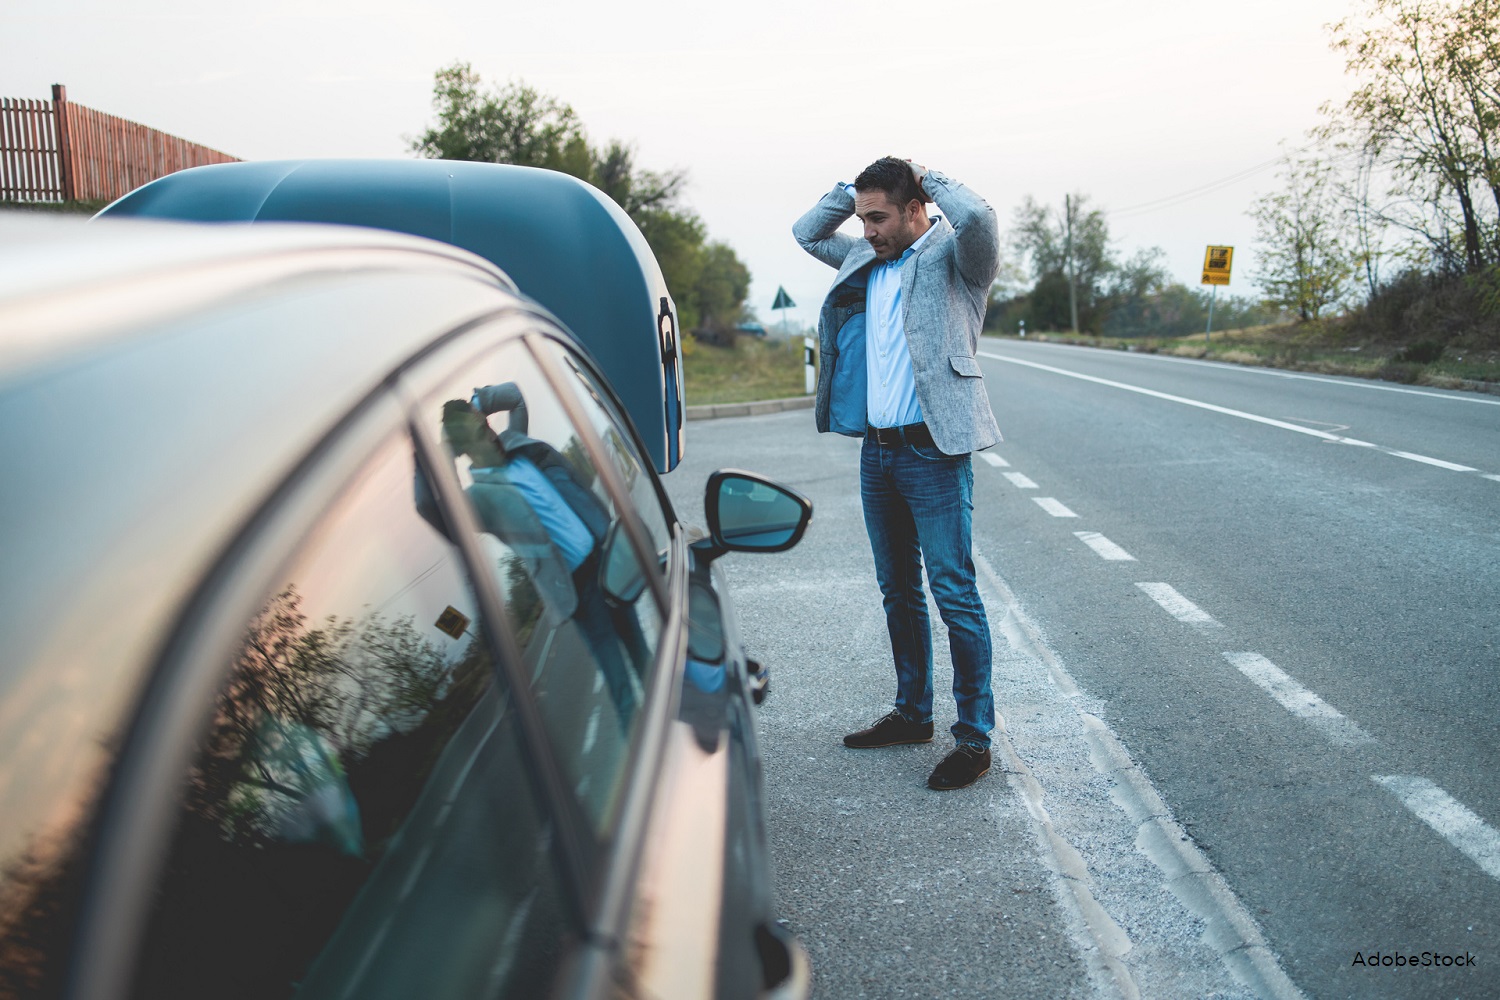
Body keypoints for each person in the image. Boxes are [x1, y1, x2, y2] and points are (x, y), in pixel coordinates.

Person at [793, 156, 1002, 790]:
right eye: (862, 218)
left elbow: (979, 216)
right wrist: (850, 192)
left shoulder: (957, 259)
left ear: (915, 210)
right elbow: (807, 233)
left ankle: (973, 738)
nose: (867, 231)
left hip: (933, 451)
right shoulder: (864, 256)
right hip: (877, 453)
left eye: (879, 217)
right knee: (898, 592)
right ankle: (912, 714)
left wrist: (926, 175)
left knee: (953, 592)